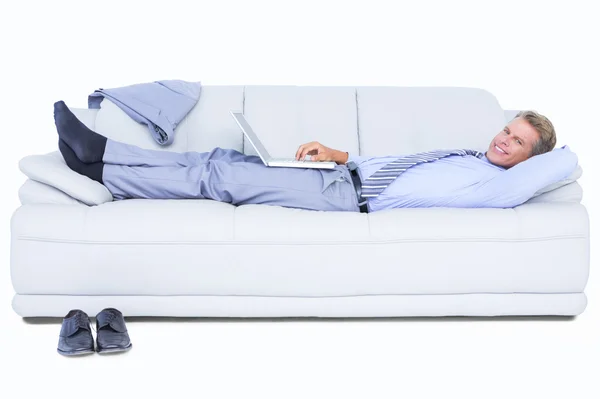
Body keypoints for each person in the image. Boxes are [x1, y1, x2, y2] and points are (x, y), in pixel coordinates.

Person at [53, 101, 578, 213]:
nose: (503, 141)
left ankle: (101, 168)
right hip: (338, 173)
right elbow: (391, 165)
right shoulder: (469, 158)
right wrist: (335, 153)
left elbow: (563, 162)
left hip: (342, 198)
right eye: (506, 130)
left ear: (530, 160)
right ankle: (102, 156)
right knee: (219, 155)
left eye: (518, 143)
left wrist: (545, 152)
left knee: (218, 178)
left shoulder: (497, 187)